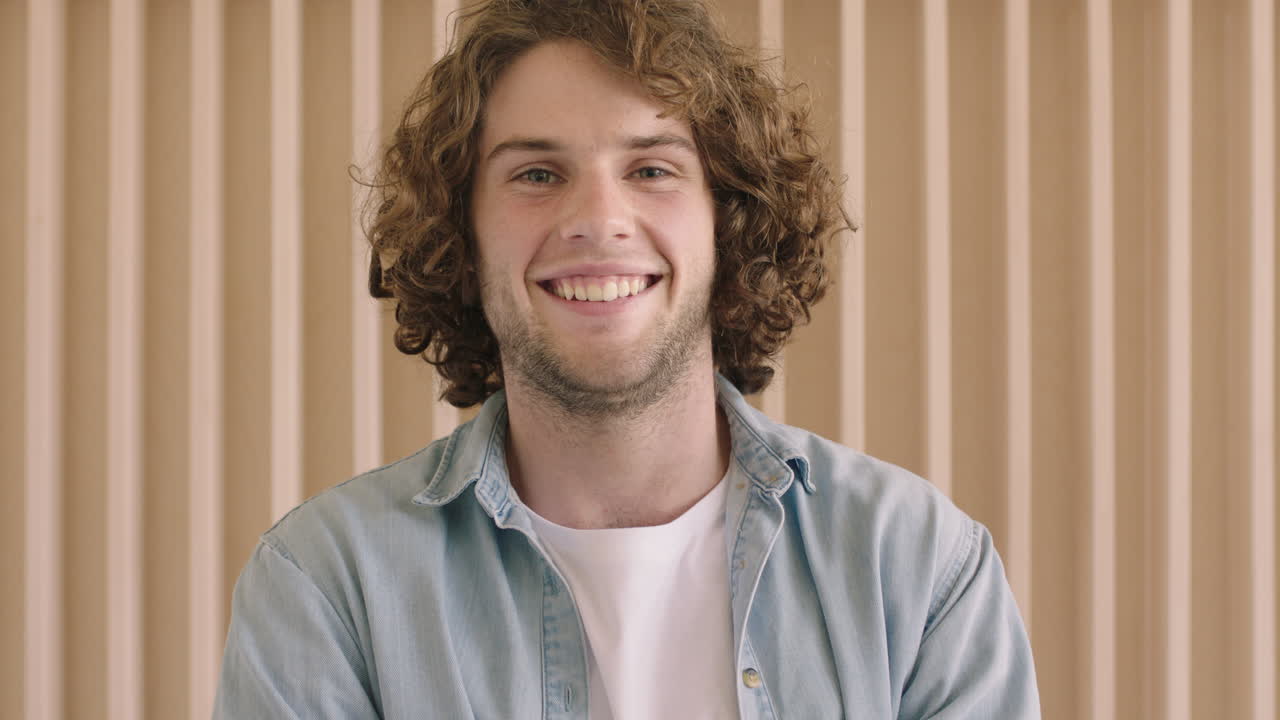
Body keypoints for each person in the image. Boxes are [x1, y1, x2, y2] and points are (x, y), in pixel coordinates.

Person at [213, 0, 1040, 717]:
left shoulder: (921, 570)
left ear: (730, 220)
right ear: (461, 235)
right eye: (537, 173)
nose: (599, 219)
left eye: (652, 169)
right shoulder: (326, 589)